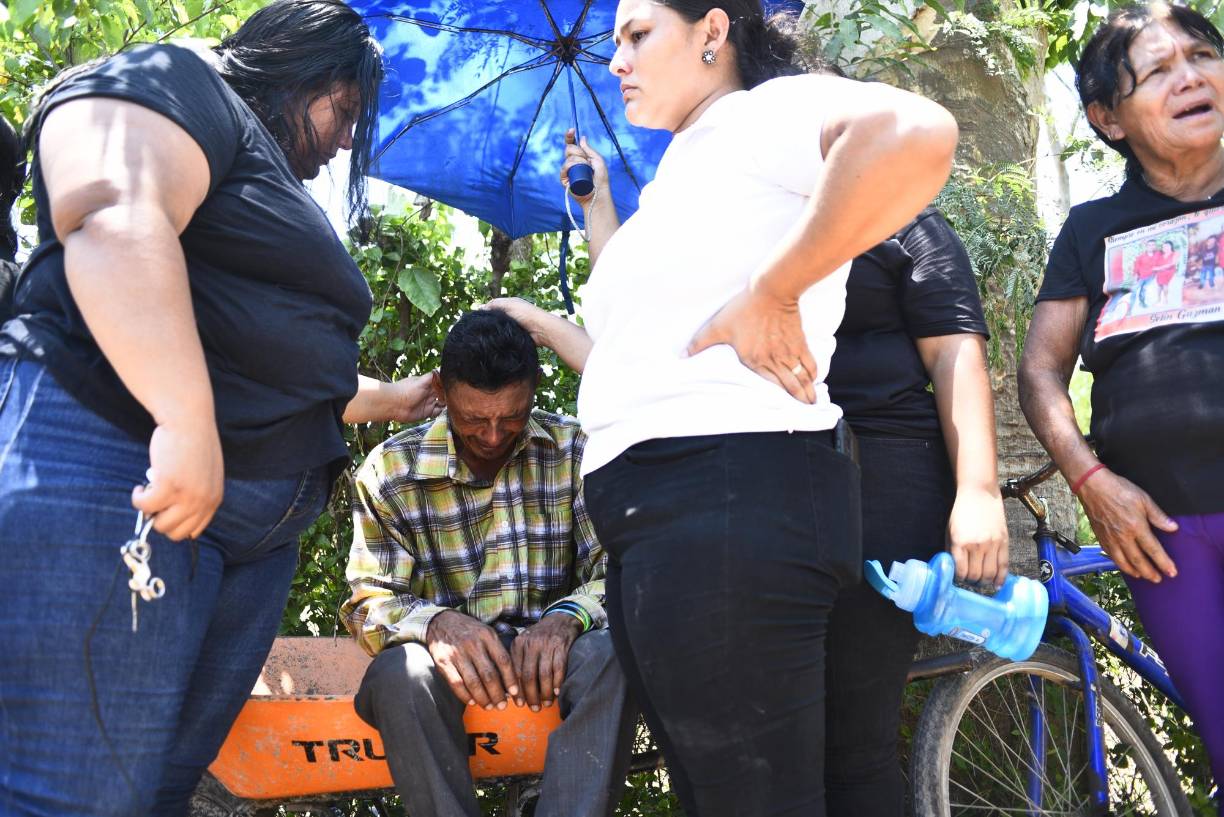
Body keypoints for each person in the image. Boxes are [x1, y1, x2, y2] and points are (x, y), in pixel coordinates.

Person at [490, 1, 957, 812]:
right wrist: (597, 205)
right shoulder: (685, 170)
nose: (617, 61)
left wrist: (774, 291)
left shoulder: (760, 115)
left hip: (731, 496)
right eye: (615, 43)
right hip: (664, 523)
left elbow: (915, 130)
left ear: (712, 32)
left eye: (638, 36)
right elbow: (638, 349)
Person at [0, 3, 435, 815]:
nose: (346, 141)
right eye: (343, 112)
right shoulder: (186, 79)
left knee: (158, 782)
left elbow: (289, 373)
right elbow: (109, 200)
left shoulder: (259, 171)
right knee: (71, 787)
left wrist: (402, 399)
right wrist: (183, 419)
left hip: (244, 533)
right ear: (294, 68)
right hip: (130, 470)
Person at [1018, 2, 1224, 804]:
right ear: (1106, 118)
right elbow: (1040, 373)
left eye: (1201, 56)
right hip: (1163, 537)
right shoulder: (1092, 230)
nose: (1191, 76)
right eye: (1159, 70)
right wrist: (1089, 480)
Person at [342, 310, 635, 817]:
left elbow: (619, 568)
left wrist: (568, 619)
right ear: (442, 391)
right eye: (475, 418)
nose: (495, 435)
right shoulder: (390, 470)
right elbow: (368, 602)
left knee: (615, 653)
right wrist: (436, 624)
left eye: (513, 416)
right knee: (399, 674)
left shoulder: (575, 450)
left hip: (558, 661)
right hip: (449, 673)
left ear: (535, 391)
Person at [821, 207, 1007, 813]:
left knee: (856, 740)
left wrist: (978, 492)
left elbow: (954, 353)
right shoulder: (738, 204)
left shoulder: (905, 218)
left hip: (885, 471)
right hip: (759, 476)